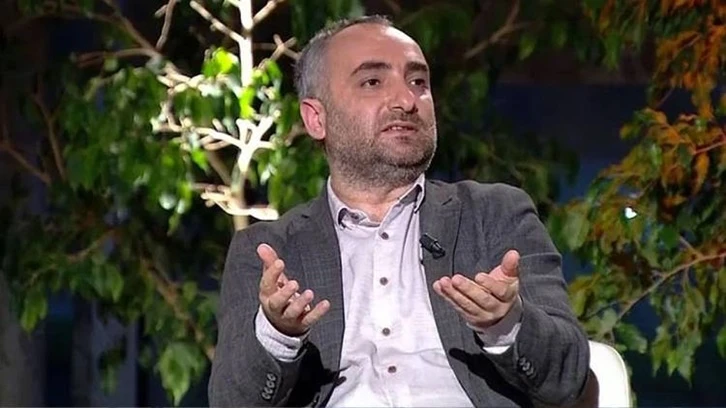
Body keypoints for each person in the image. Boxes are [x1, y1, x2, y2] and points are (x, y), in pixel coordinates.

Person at [208, 15, 591, 408]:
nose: (407, 101)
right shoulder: (268, 251)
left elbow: (569, 380)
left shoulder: (493, 214)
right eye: (372, 82)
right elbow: (230, 402)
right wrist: (278, 335)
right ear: (316, 119)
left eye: (418, 82)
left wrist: (505, 323)